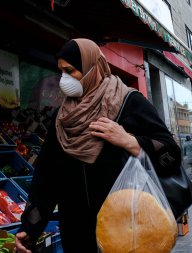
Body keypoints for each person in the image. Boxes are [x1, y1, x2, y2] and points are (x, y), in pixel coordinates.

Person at [15, 38, 182, 252]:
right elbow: (47, 177)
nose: (64, 79)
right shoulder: (62, 116)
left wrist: (130, 141)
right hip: (76, 233)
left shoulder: (128, 103)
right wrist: (30, 227)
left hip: (125, 231)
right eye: (61, 72)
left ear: (92, 68)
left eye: (71, 71)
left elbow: (171, 154)